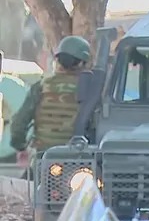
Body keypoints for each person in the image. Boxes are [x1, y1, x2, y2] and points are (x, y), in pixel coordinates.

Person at [10, 36, 91, 169]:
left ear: (57, 60)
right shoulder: (91, 90)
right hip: (78, 159)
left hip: (43, 158)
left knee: (26, 188)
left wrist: (20, 146)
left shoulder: (41, 86)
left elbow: (19, 123)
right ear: (82, 63)